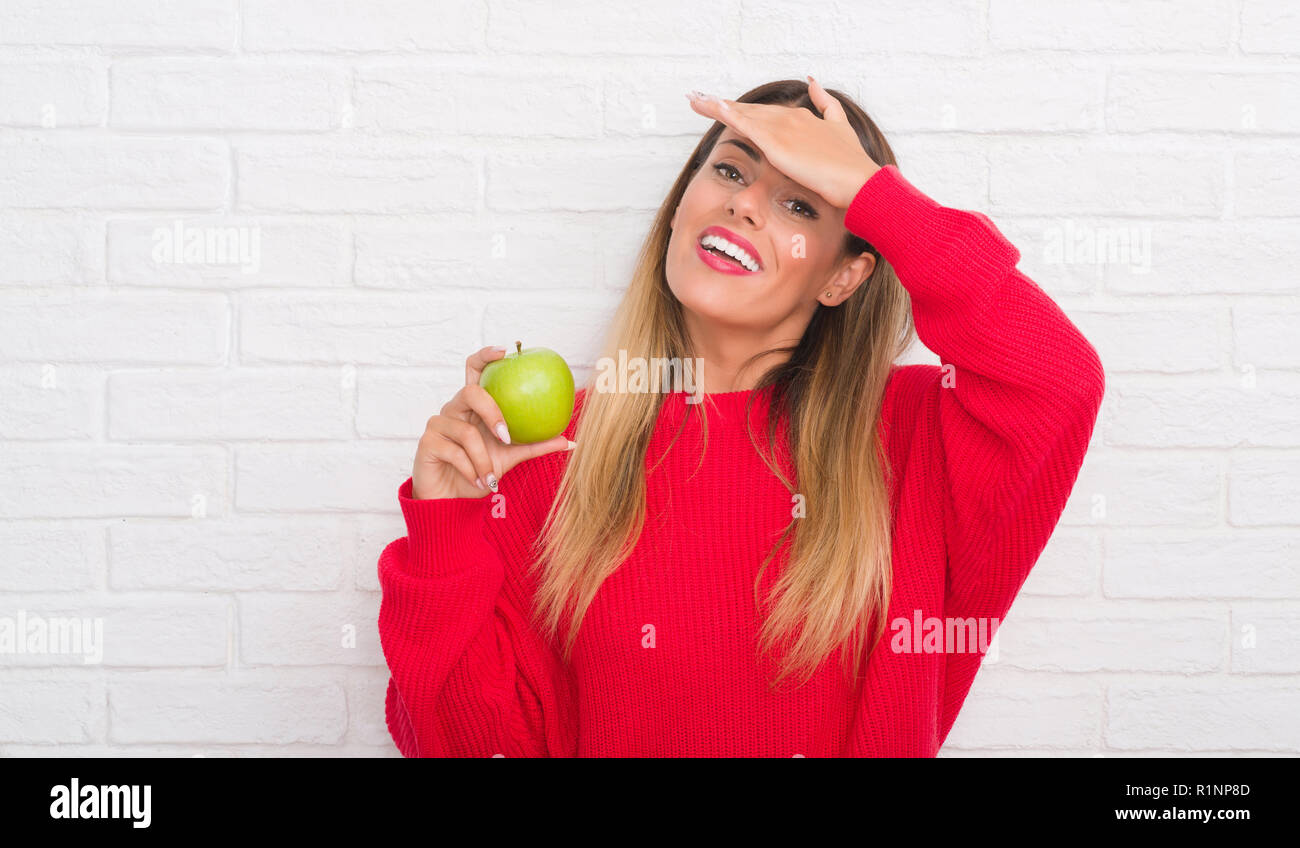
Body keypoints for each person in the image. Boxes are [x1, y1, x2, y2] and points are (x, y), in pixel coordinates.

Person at [377, 76, 1105, 757]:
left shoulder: (915, 436)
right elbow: (471, 741)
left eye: (802, 203)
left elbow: (1060, 380)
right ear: (680, 203)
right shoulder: (554, 448)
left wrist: (872, 192)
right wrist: (447, 525)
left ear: (845, 274)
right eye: (730, 171)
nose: (746, 204)